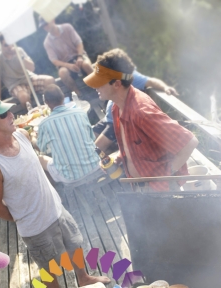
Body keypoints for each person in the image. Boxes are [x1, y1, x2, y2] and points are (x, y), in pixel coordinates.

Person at [0, 97, 110, 288]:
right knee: (49, 269)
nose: (11, 115)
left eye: (9, 111)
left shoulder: (23, 135)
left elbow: (35, 162)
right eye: (3, 115)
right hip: (34, 227)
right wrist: (23, 216)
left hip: (56, 208)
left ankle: (84, 277)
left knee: (75, 244)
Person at [84, 49, 198, 191]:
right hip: (140, 185)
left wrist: (166, 175)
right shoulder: (116, 106)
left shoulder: (141, 112)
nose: (95, 86)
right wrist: (119, 156)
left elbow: (189, 143)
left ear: (117, 84)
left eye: (100, 82)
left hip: (159, 190)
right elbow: (135, 144)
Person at [93, 70, 178, 154]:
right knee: (90, 138)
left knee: (95, 150)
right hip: (109, 117)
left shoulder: (128, 75)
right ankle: (114, 151)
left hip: (116, 122)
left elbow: (151, 81)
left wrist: (165, 87)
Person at [37, 84, 101, 183]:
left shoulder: (44, 124)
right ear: (63, 97)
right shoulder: (81, 113)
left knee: (40, 158)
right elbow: (91, 138)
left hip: (70, 177)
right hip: (95, 166)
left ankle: (57, 194)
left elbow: (43, 149)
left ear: (46, 102)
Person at [0, 34, 54, 108]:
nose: (9, 47)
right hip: (15, 85)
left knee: (50, 81)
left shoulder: (19, 50)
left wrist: (19, 56)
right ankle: (33, 116)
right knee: (24, 98)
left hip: (29, 78)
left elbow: (32, 68)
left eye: (10, 43)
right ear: (0, 46)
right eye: (6, 45)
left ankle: (52, 108)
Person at [40, 18, 93, 96]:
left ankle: (98, 87)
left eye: (46, 24)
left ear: (52, 20)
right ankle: (78, 95)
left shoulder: (67, 27)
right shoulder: (47, 42)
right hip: (65, 63)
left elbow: (79, 43)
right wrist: (69, 65)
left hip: (79, 55)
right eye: (43, 26)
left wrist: (80, 57)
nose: (45, 27)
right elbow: (54, 60)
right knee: (62, 73)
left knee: (86, 65)